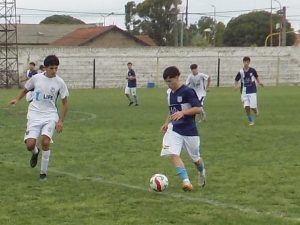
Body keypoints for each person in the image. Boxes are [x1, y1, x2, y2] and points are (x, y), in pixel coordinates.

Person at [9, 55, 69, 180]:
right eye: (51, 68)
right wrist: (17, 99)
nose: (54, 71)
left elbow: (65, 103)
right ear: (45, 68)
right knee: (30, 145)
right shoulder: (36, 79)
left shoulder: (60, 82)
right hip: (34, 115)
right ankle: (35, 152)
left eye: (56, 68)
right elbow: (26, 89)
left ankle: (43, 174)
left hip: (50, 115)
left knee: (45, 142)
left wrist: (61, 121)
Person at [160, 66, 206, 192]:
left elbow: (198, 108)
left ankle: (202, 172)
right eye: (166, 82)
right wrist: (166, 123)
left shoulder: (188, 91)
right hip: (174, 129)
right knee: (172, 153)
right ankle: (186, 182)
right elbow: (171, 110)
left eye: (170, 81)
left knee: (196, 159)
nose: (169, 84)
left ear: (177, 77)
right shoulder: (169, 93)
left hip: (189, 131)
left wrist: (183, 113)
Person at [235, 56, 263, 126]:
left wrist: (259, 82)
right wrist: (236, 86)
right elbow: (236, 79)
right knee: (247, 107)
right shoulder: (241, 72)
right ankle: (251, 120)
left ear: (249, 62)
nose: (246, 63)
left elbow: (256, 77)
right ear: (243, 62)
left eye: (247, 62)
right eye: (245, 62)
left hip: (252, 91)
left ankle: (255, 110)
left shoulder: (252, 70)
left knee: (252, 107)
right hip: (244, 92)